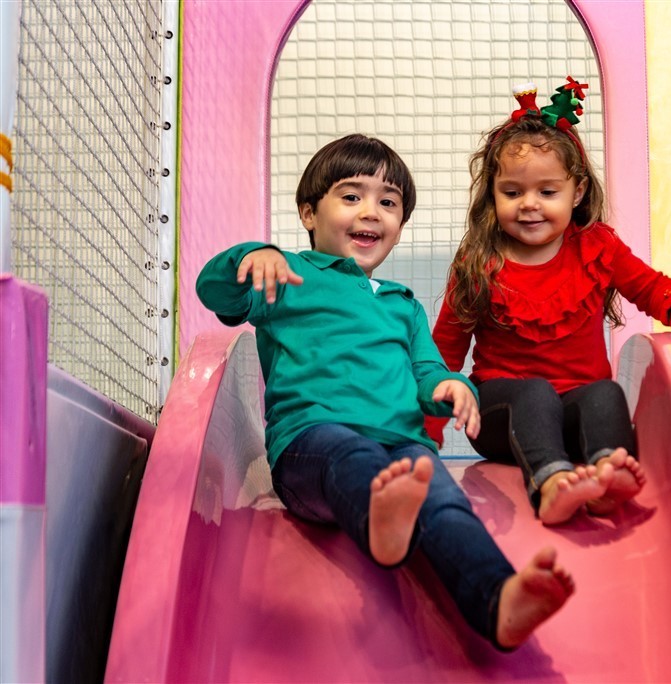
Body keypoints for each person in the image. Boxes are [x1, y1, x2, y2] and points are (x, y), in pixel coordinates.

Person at [196, 134, 573, 650]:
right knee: (347, 454)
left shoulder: (403, 305)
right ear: (309, 213)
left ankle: (497, 600)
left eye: (388, 202)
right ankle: (379, 521)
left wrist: (452, 387)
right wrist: (252, 255)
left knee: (446, 506)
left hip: (404, 450)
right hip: (313, 443)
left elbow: (428, 372)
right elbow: (214, 291)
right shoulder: (287, 276)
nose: (370, 212)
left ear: (399, 226)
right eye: (351, 197)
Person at [429, 79, 671, 525]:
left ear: (576, 193)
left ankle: (606, 472)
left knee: (605, 393)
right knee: (535, 393)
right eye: (513, 193)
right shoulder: (480, 260)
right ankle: (552, 483)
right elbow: (444, 350)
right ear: (492, 194)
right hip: (504, 417)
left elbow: (649, 285)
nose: (529, 205)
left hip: (574, 416)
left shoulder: (596, 247)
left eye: (547, 192)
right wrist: (425, 433)